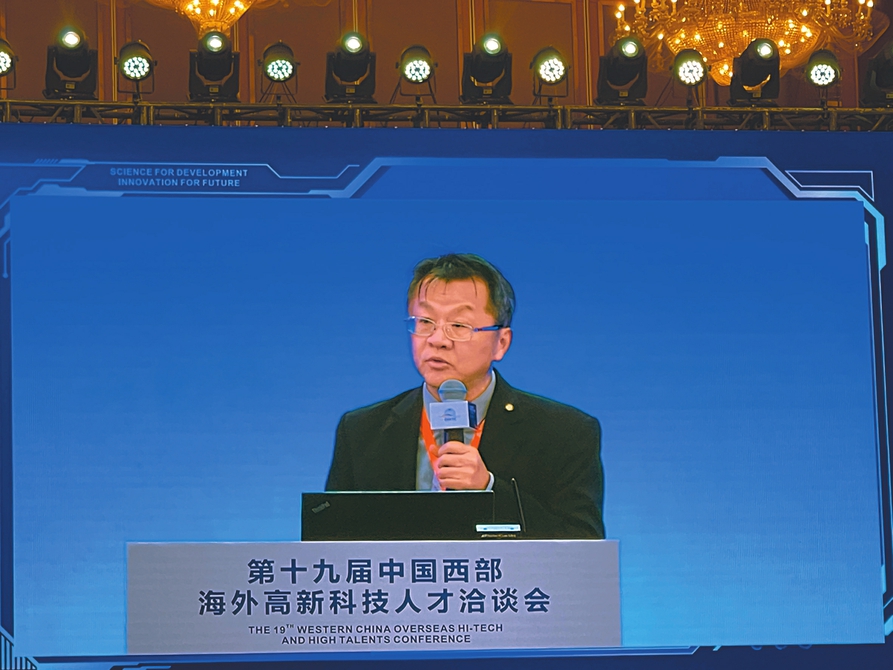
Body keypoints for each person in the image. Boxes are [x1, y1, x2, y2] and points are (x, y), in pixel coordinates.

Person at [325, 253, 604, 539]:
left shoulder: (565, 433)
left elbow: (584, 543)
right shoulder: (362, 431)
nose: (437, 340)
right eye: (425, 322)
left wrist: (489, 488)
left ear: (501, 343)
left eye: (458, 326)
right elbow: (329, 541)